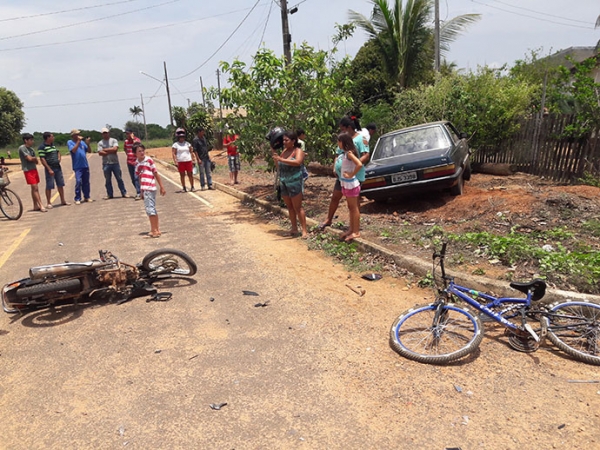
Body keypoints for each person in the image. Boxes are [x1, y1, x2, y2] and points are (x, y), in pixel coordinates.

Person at [319, 116, 371, 229]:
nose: (341, 131)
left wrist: (353, 167)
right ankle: (329, 219)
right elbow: (338, 155)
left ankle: (354, 226)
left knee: (353, 202)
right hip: (342, 176)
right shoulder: (343, 139)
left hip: (354, 177)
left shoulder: (361, 139)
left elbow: (365, 155)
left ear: (349, 127)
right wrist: (335, 167)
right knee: (335, 197)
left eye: (343, 128)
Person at [271, 131, 308, 238]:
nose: (284, 142)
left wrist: (281, 159)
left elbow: (298, 162)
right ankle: (294, 229)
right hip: (284, 182)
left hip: (295, 183)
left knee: (298, 207)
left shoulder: (298, 151)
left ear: (293, 141)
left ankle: (304, 230)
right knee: (290, 207)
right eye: (283, 140)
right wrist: (276, 157)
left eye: (286, 140)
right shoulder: (284, 151)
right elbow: (279, 166)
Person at [134, 142, 166, 238]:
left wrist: (161, 186)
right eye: (139, 151)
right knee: (151, 208)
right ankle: (156, 229)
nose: (142, 152)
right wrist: (141, 191)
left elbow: (155, 173)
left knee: (150, 209)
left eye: (142, 150)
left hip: (150, 187)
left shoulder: (149, 160)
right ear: (135, 153)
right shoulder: (137, 163)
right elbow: (139, 177)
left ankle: (154, 230)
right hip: (145, 188)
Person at [337, 133, 363, 242]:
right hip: (346, 183)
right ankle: (352, 229)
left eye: (338, 141)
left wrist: (352, 174)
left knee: (354, 208)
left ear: (343, 142)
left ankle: (356, 231)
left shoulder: (349, 154)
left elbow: (359, 164)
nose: (338, 144)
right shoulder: (345, 153)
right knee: (351, 208)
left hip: (351, 184)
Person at [38, 131, 70, 208]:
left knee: (60, 184)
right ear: (48, 138)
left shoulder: (53, 146)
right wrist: (49, 169)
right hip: (50, 168)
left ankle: (63, 200)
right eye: (52, 136)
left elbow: (58, 152)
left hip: (57, 167)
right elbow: (42, 159)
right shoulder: (42, 147)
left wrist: (59, 158)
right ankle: (49, 202)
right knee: (49, 185)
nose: (53, 138)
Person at [18, 133, 46, 212]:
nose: (32, 141)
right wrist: (33, 158)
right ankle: (41, 205)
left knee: (34, 188)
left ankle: (35, 205)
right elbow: (29, 159)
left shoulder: (31, 149)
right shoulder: (22, 148)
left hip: (34, 169)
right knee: (35, 188)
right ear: (26, 140)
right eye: (31, 140)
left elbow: (36, 161)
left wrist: (33, 158)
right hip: (28, 170)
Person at [98, 127, 128, 199]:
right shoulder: (100, 143)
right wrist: (110, 150)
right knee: (108, 180)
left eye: (106, 133)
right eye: (103, 133)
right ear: (102, 134)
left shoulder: (114, 140)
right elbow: (100, 153)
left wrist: (105, 150)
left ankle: (124, 193)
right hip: (106, 163)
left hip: (115, 163)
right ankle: (109, 194)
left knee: (119, 178)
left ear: (109, 133)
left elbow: (115, 149)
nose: (105, 134)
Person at [67, 129, 93, 204]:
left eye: (79, 134)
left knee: (86, 182)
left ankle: (87, 196)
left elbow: (89, 151)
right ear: (73, 135)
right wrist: (78, 141)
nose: (78, 135)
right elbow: (73, 150)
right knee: (78, 181)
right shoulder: (70, 142)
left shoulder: (82, 143)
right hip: (77, 166)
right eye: (76, 134)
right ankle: (77, 198)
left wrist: (88, 144)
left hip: (85, 165)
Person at [172, 128, 196, 192]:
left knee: (190, 174)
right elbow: (174, 153)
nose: (182, 138)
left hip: (188, 161)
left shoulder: (188, 144)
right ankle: (184, 187)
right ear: (178, 137)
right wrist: (175, 161)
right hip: (180, 162)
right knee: (182, 175)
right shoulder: (175, 145)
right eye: (180, 137)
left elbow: (191, 152)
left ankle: (192, 186)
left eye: (182, 137)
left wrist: (193, 159)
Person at [124, 128, 141, 200]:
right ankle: (140, 191)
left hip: (136, 162)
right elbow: (125, 149)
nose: (127, 135)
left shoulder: (137, 140)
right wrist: (128, 155)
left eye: (128, 133)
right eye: (126, 134)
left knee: (136, 177)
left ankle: (139, 193)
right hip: (129, 162)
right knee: (133, 179)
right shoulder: (126, 141)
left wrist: (133, 139)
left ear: (132, 133)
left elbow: (138, 147)